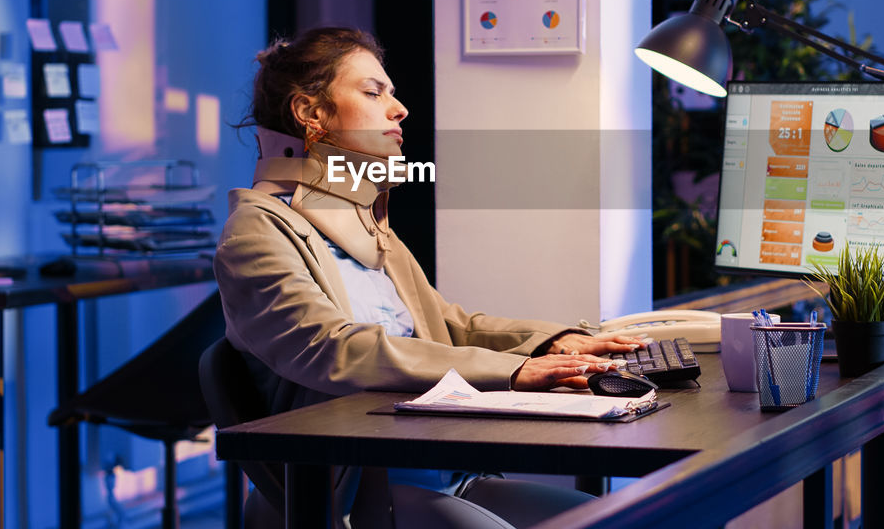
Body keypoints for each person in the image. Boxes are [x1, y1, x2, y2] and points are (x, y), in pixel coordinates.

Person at [215, 27, 645, 528]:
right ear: (310, 113)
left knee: (632, 519)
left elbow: (449, 324)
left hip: (442, 470)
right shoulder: (255, 231)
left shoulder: (366, 226)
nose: (399, 110)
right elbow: (330, 349)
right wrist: (508, 371)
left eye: (392, 93)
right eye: (374, 93)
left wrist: (552, 343)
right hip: (362, 492)